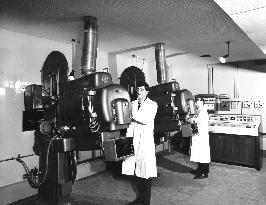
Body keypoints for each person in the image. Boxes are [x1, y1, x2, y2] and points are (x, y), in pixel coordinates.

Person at [122, 82, 158, 205]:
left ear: (147, 92)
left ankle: (146, 201)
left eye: (142, 90)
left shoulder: (153, 104)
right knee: (137, 169)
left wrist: (128, 114)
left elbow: (145, 119)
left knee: (146, 170)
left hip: (145, 140)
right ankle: (140, 198)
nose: (139, 91)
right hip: (134, 138)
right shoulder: (132, 104)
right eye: (138, 89)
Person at [189, 98, 210, 179]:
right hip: (198, 135)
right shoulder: (199, 110)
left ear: (201, 102)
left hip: (201, 136)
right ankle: (199, 170)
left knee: (202, 154)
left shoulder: (203, 111)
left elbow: (200, 120)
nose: (195, 102)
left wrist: (192, 119)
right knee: (199, 154)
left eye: (197, 101)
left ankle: (203, 173)